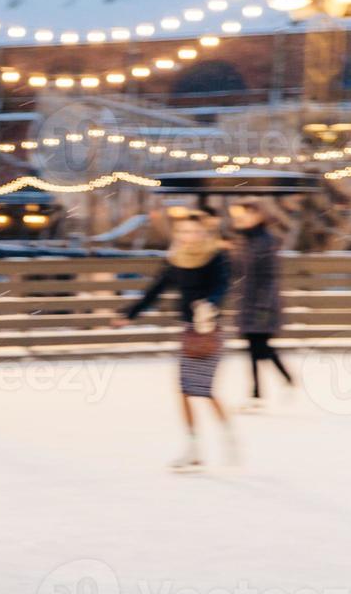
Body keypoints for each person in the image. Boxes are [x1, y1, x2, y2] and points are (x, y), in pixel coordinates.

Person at [114, 210, 236, 472]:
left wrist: (210, 305)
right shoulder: (175, 260)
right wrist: (130, 313)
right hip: (189, 331)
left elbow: (222, 286)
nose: (188, 237)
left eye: (194, 231)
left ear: (204, 233)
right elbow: (155, 290)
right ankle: (193, 448)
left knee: (203, 391)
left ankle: (228, 438)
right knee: (184, 390)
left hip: (210, 330)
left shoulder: (216, 256)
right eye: (183, 232)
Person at [229, 201, 293, 410]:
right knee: (256, 348)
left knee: (259, 347)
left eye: (246, 214)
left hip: (262, 305)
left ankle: (262, 390)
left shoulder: (265, 241)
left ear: (258, 216)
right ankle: (265, 388)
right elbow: (238, 270)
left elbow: (269, 276)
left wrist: (263, 307)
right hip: (249, 303)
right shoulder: (244, 240)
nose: (241, 218)